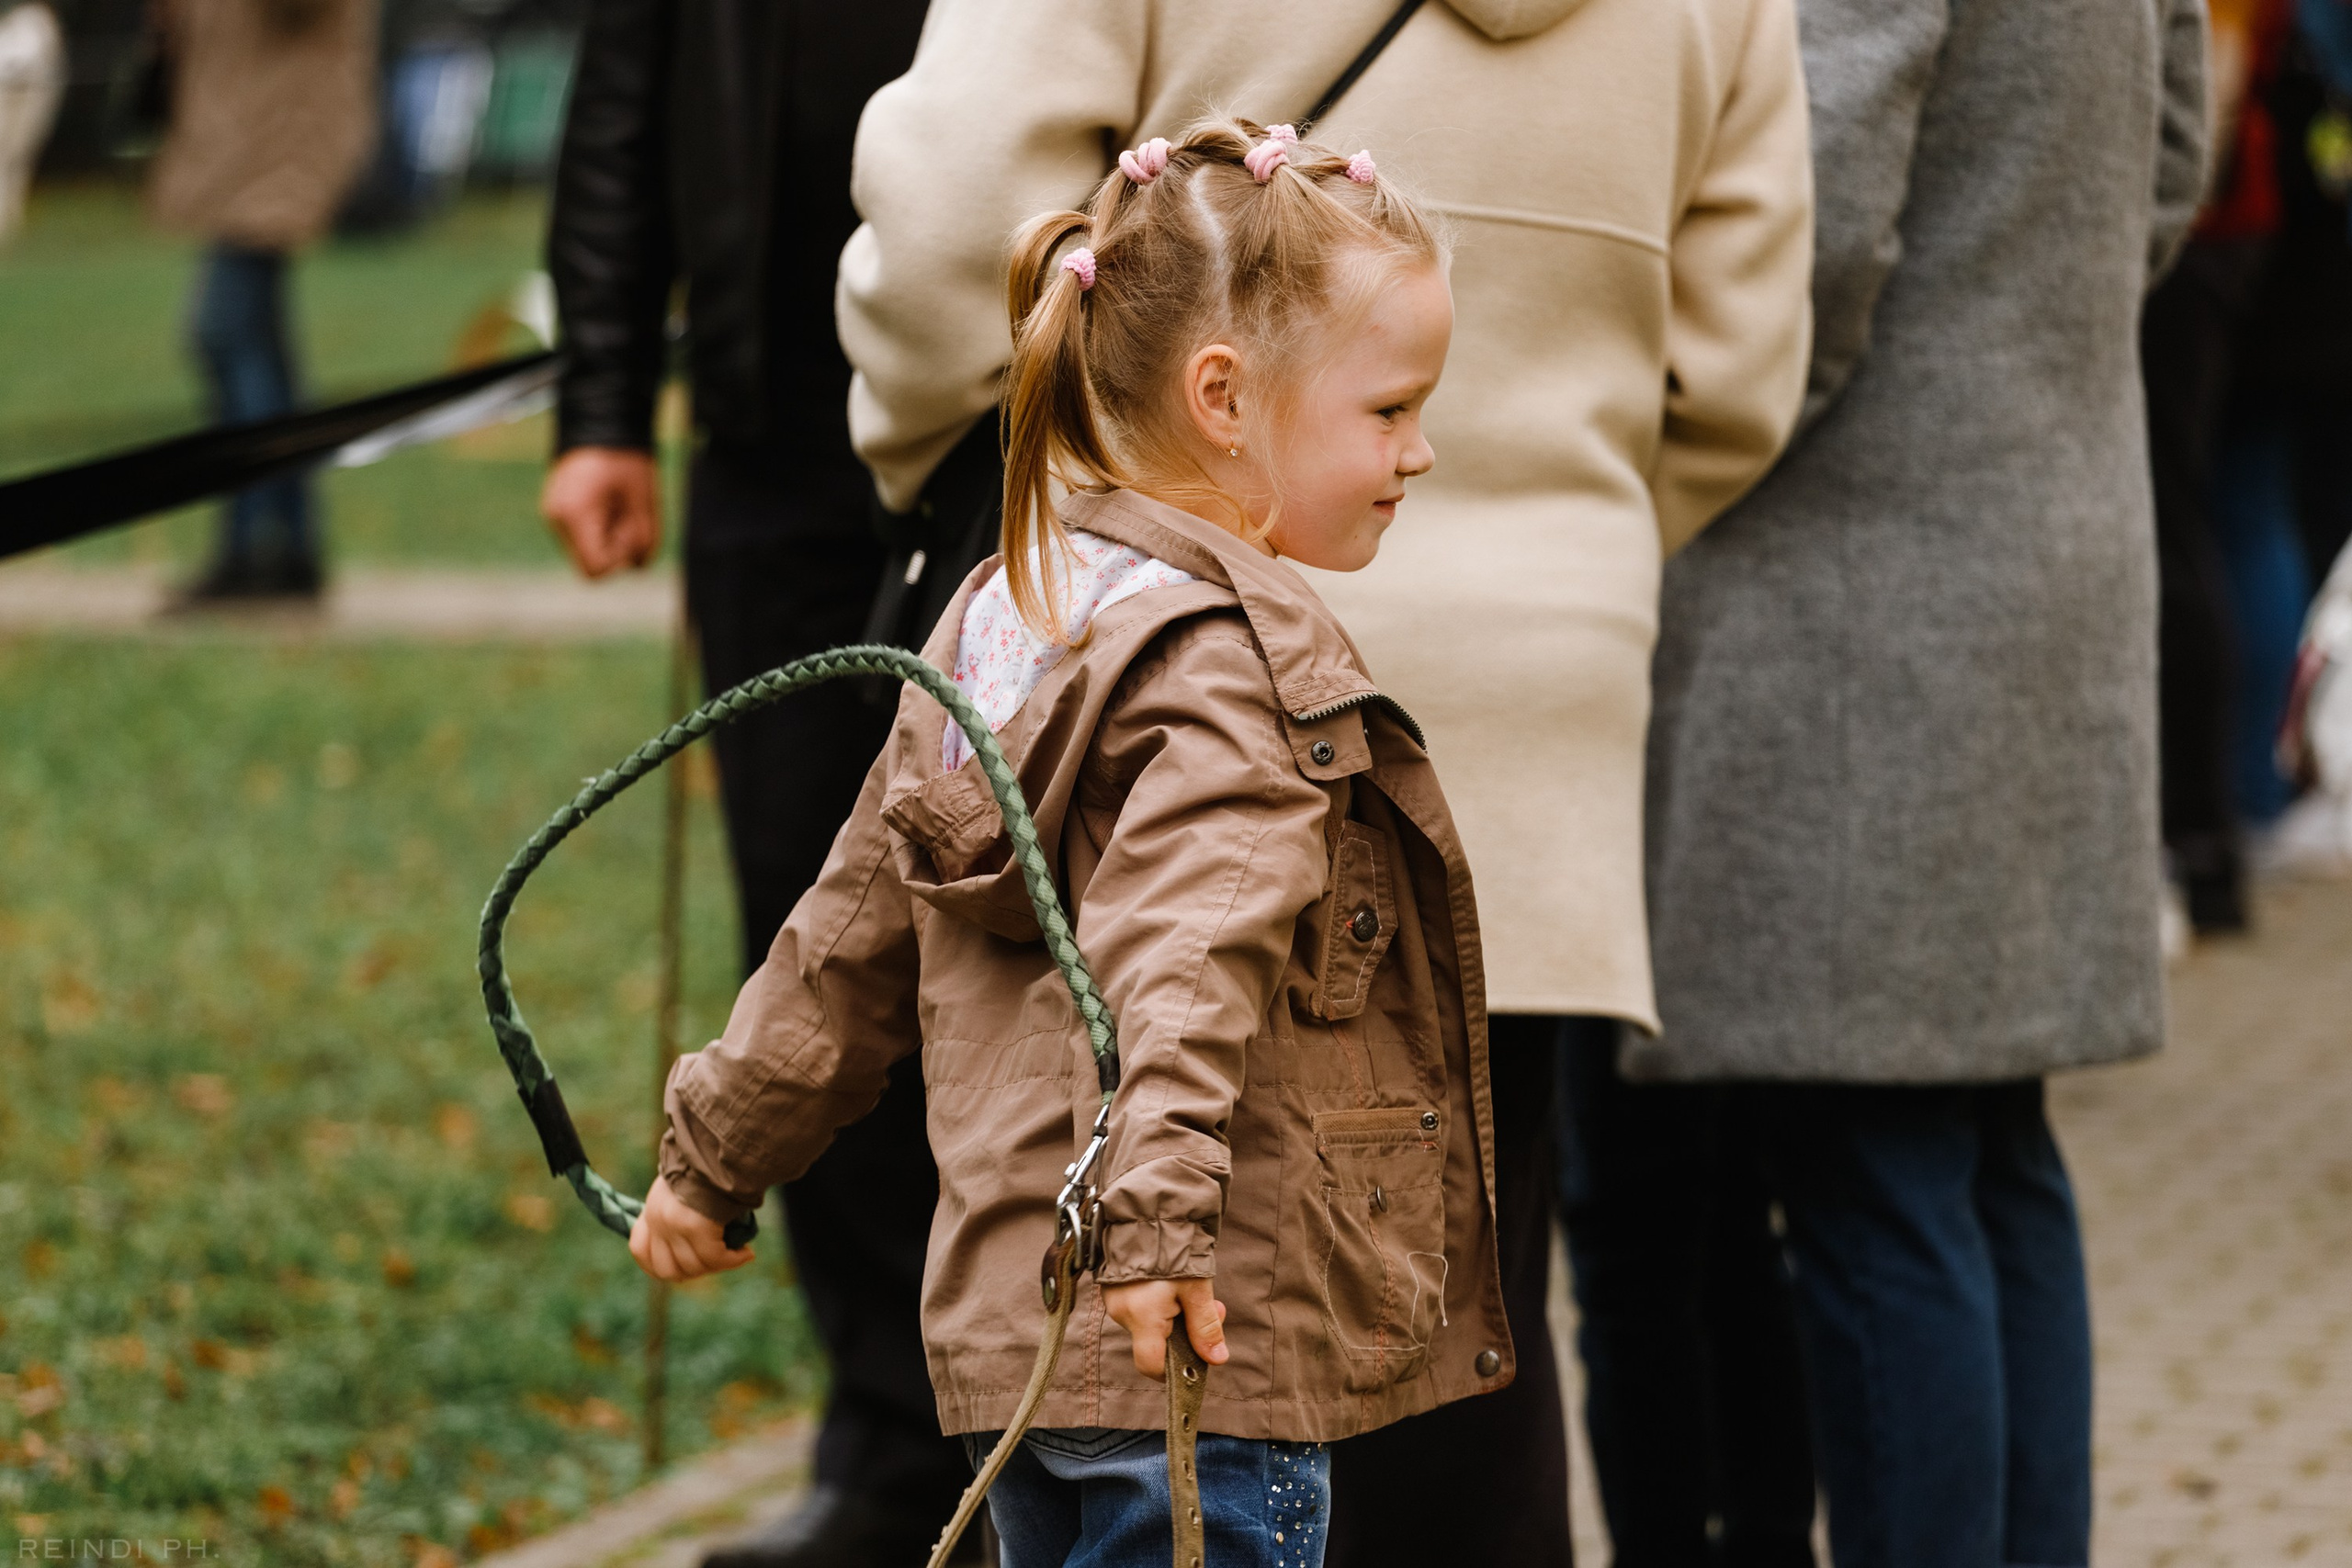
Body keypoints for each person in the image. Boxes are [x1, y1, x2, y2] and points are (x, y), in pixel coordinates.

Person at [831, 4, 1816, 1561]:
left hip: (1153, 656)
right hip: (1531, 693)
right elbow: (1746, 370)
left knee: (1170, 1329)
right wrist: (1562, 558)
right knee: (1465, 1330)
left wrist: (1004, 475)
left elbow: (959, 218)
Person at [630, 119, 1502, 1568]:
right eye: (1392, 408)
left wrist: (716, 1148)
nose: (1419, 451)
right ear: (1223, 396)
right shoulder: (1224, 667)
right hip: (1188, 1352)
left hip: (1015, 1347)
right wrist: (1158, 1231)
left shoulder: (1002, 613)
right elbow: (1188, 954)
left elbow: (846, 934)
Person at [1638, 0, 2209, 1563]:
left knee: (1874, 1158)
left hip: (1861, 579)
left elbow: (1812, 228)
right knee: (1988, 1142)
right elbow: (2172, 157)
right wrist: (2025, 335)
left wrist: (1676, 443)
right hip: (2053, 517)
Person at [537, 5, 967, 1563]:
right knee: (803, 931)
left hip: (990, 441)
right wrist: (600, 409)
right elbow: (618, 121)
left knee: (995, 933)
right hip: (770, 450)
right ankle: (892, 1442)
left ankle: (1039, 1420)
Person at [149, 0, 377, 603]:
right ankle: (288, 545)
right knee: (260, 351)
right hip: (244, 148)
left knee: (227, 336)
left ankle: (257, 548)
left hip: (279, 148)